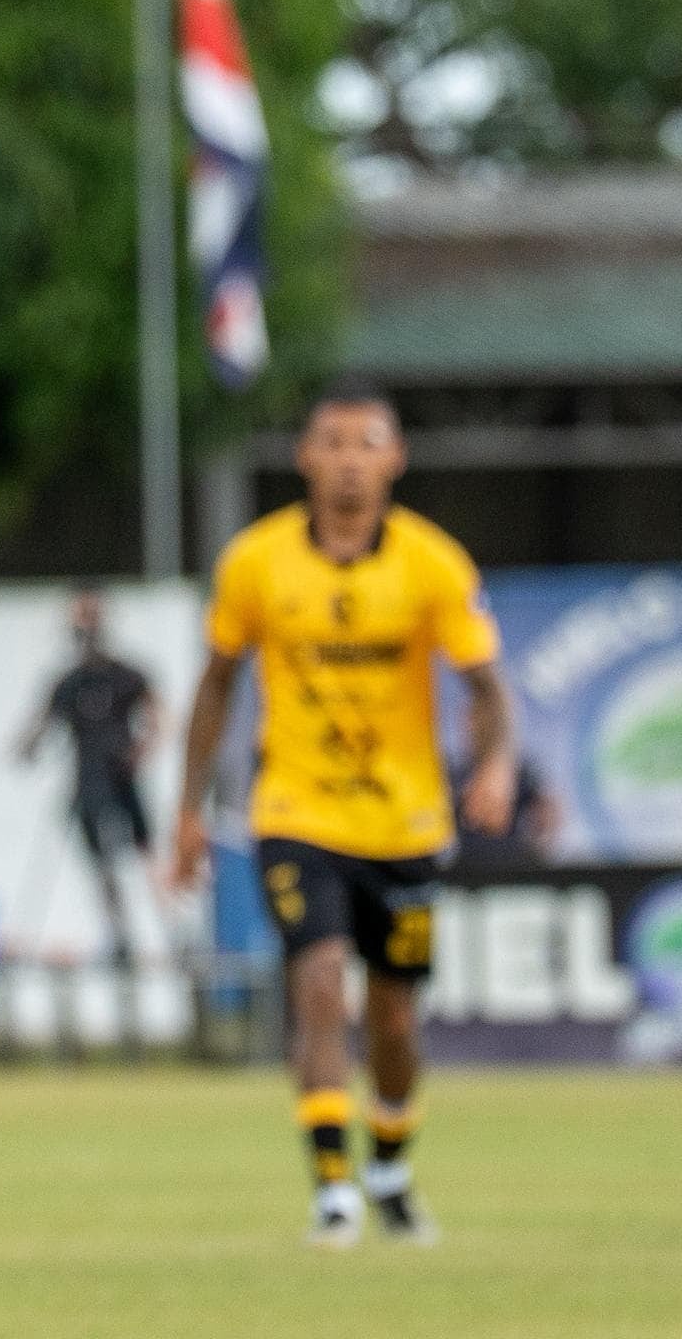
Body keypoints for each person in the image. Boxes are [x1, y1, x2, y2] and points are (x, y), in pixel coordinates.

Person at [169, 383, 514, 1250]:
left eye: (368, 442)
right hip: (296, 809)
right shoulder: (255, 562)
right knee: (318, 982)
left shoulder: (434, 564)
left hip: (403, 821)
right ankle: (333, 1189)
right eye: (333, 441)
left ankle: (390, 1164)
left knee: (394, 1017)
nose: (350, 458)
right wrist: (186, 812)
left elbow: (484, 687)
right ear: (306, 458)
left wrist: (497, 762)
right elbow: (216, 686)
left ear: (394, 459)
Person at [15, 588, 163, 969]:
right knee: (102, 862)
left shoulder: (124, 674)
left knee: (145, 851)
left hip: (121, 775)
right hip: (89, 780)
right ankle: (121, 936)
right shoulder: (69, 682)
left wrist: (142, 750)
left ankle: (170, 928)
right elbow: (41, 725)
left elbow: (156, 713)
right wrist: (27, 746)